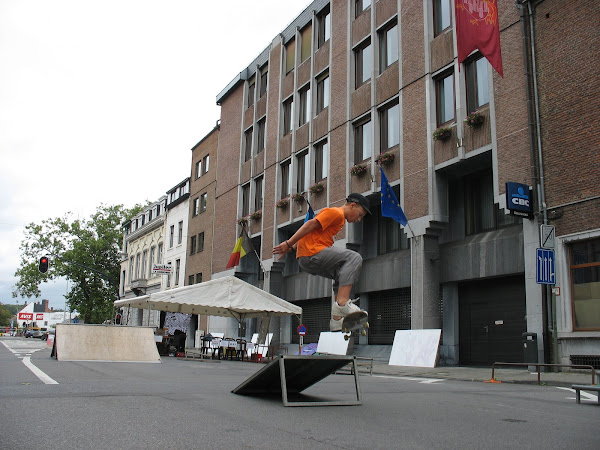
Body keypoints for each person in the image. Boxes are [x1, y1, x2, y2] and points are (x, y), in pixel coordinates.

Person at [273, 193, 371, 331]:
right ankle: (342, 304)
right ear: (353, 205)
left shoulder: (340, 220)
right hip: (312, 254)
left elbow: (311, 233)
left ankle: (337, 320)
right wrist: (289, 243)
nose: (359, 219)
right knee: (354, 258)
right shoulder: (336, 213)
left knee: (340, 272)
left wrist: (293, 247)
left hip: (307, 259)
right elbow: (310, 224)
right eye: (360, 215)